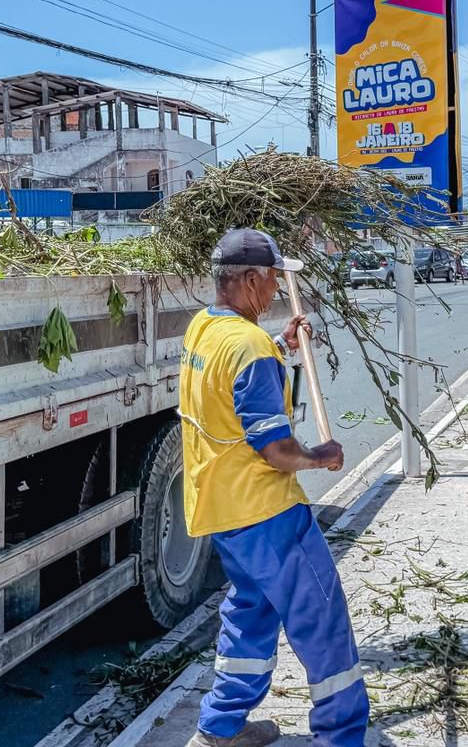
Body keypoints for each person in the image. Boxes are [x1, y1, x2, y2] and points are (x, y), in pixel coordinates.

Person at [180, 228, 367, 747]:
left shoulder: (205, 328)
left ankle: (219, 728)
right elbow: (276, 451)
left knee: (250, 614)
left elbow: (227, 394)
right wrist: (319, 457)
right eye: (270, 283)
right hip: (266, 511)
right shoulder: (250, 346)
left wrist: (281, 344)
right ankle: (340, 737)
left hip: (220, 507)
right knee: (322, 620)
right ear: (249, 278)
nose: (276, 293)